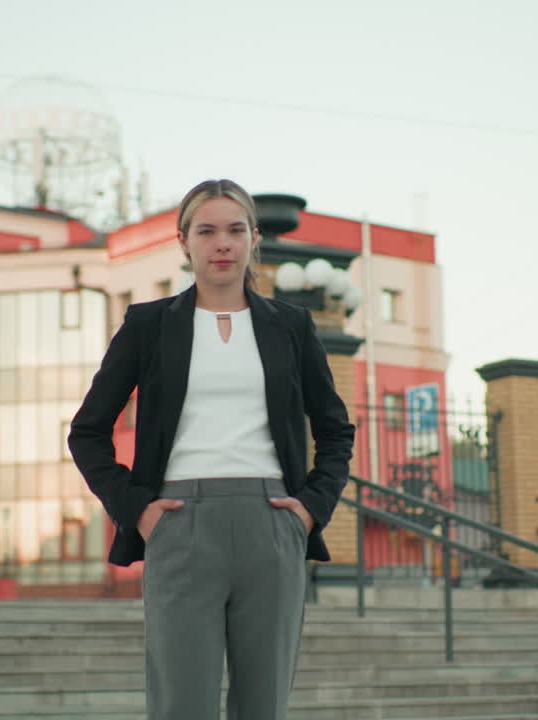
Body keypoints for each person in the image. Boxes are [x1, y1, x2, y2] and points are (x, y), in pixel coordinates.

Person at [68, 178, 355, 720]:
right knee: (182, 704)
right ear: (184, 242)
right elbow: (87, 431)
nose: (221, 243)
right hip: (180, 525)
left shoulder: (290, 327)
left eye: (234, 230)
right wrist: (136, 511)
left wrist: (312, 509)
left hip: (272, 525)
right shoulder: (149, 325)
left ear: (252, 240)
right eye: (207, 230)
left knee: (262, 705)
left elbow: (336, 429)